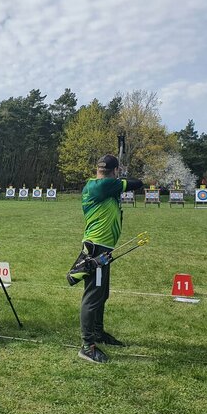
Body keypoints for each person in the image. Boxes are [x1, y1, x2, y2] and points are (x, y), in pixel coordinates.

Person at [66, 154, 142, 364]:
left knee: (102, 294)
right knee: (92, 297)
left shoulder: (103, 185)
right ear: (115, 171)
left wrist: (118, 179)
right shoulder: (100, 186)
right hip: (96, 249)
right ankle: (87, 346)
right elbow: (137, 184)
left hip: (103, 249)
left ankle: (98, 333)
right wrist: (123, 180)